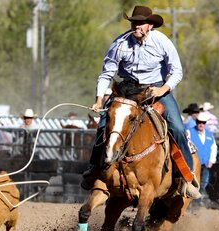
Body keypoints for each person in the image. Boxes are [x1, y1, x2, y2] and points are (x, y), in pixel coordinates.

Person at [81, 5, 201, 199]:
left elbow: (176, 71)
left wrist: (163, 89)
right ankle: (94, 169)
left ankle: (186, 178)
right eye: (134, 22)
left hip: (156, 89)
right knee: (104, 125)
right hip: (126, 89)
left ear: (150, 25)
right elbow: (106, 73)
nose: (136, 26)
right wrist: (98, 99)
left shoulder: (162, 42)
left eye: (140, 23)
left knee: (177, 128)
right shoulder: (120, 43)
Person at [187, 112, 217, 209]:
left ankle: (196, 204)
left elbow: (213, 147)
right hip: (193, 164)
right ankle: (193, 204)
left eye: (203, 122)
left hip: (205, 164)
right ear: (196, 122)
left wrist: (211, 160)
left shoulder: (209, 135)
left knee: (203, 183)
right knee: (193, 184)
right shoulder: (189, 132)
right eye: (200, 122)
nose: (201, 124)